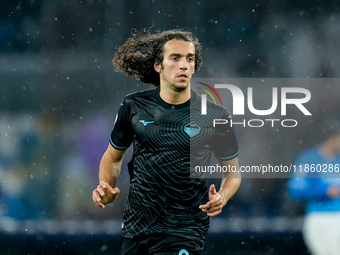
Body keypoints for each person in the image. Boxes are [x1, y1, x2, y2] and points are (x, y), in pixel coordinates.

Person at [92, 29, 241, 255]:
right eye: (175, 58)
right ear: (158, 66)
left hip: (184, 229)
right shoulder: (133, 106)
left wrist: (222, 196)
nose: (183, 65)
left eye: (189, 59)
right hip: (136, 230)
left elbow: (233, 173)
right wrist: (107, 185)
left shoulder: (214, 115)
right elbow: (113, 157)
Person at [288, 120, 340, 255]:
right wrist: (324, 191)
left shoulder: (338, 160)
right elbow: (295, 189)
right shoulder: (309, 158)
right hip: (318, 218)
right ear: (333, 138)